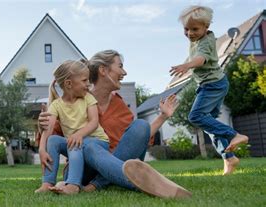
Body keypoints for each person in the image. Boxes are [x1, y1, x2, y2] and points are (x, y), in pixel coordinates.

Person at [39, 50, 192, 198]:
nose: (124, 72)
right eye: (120, 66)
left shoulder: (119, 104)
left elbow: (135, 142)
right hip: (81, 168)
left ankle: (97, 184)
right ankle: (140, 182)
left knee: (141, 126)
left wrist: (162, 117)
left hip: (111, 160)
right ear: (103, 70)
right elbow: (53, 139)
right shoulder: (75, 100)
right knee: (90, 146)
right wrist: (42, 128)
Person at [170, 5, 248, 175]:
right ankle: (229, 158)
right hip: (211, 85)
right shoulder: (197, 40)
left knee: (196, 116)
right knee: (209, 124)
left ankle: (234, 134)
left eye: (195, 29)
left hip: (213, 85)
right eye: (186, 29)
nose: (190, 33)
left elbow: (201, 59)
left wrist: (186, 65)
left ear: (206, 28)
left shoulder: (206, 41)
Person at [34, 60, 109, 195]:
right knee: (53, 140)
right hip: (75, 143)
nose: (88, 84)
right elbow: (48, 129)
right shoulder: (56, 105)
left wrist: (78, 134)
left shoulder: (88, 98)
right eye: (84, 80)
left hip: (97, 141)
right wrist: (41, 149)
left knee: (73, 142)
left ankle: (73, 185)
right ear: (69, 84)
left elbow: (93, 122)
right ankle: (47, 182)